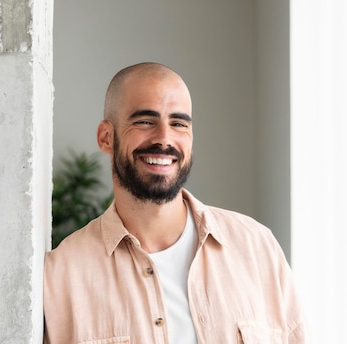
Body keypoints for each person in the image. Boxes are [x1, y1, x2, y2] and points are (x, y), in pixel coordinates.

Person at [43, 62, 306, 343]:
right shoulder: (60, 276)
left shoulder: (257, 246)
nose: (164, 139)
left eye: (179, 123)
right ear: (106, 137)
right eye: (145, 121)